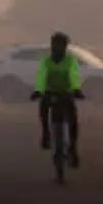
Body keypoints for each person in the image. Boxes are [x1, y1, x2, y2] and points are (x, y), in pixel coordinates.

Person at [30, 31, 84, 167]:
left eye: (62, 45)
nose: (59, 48)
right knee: (43, 107)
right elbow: (41, 78)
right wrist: (38, 91)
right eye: (56, 45)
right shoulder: (46, 61)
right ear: (52, 46)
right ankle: (46, 134)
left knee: (73, 119)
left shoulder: (70, 61)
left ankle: (72, 147)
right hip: (50, 93)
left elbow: (74, 76)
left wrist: (76, 89)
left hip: (66, 93)